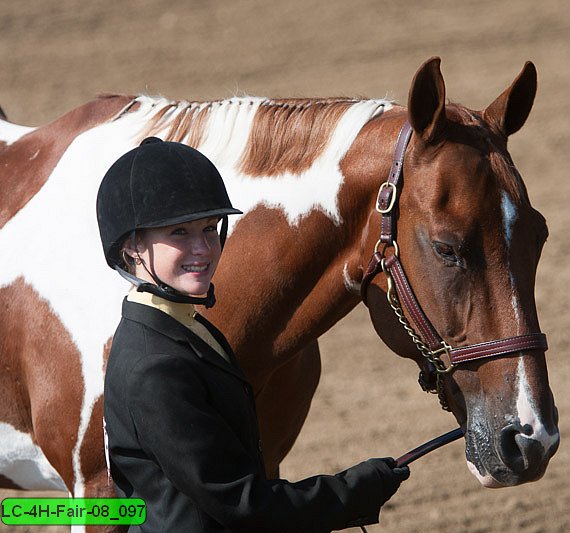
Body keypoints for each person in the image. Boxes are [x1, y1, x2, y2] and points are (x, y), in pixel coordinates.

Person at [97, 137, 410, 532]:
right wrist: (354, 490)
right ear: (131, 248)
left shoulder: (187, 328)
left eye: (210, 228)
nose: (203, 249)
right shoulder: (154, 367)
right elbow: (241, 504)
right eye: (179, 232)